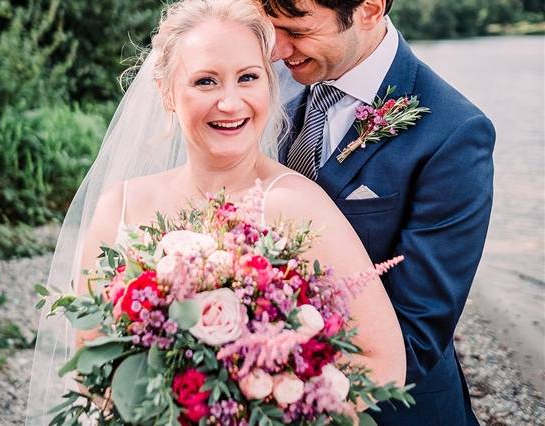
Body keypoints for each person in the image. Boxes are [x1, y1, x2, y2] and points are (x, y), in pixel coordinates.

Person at [26, 0, 405, 424]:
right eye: (206, 81)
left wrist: (259, 408)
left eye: (248, 78)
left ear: (270, 84)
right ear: (168, 91)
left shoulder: (300, 206)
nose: (230, 102)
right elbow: (89, 358)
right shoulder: (120, 206)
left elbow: (384, 361)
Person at [258, 0, 496, 424]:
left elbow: (417, 332)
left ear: (368, 9)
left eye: (296, 30)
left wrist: (273, 391)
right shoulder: (264, 86)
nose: (277, 49)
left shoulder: (455, 133)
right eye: (271, 28)